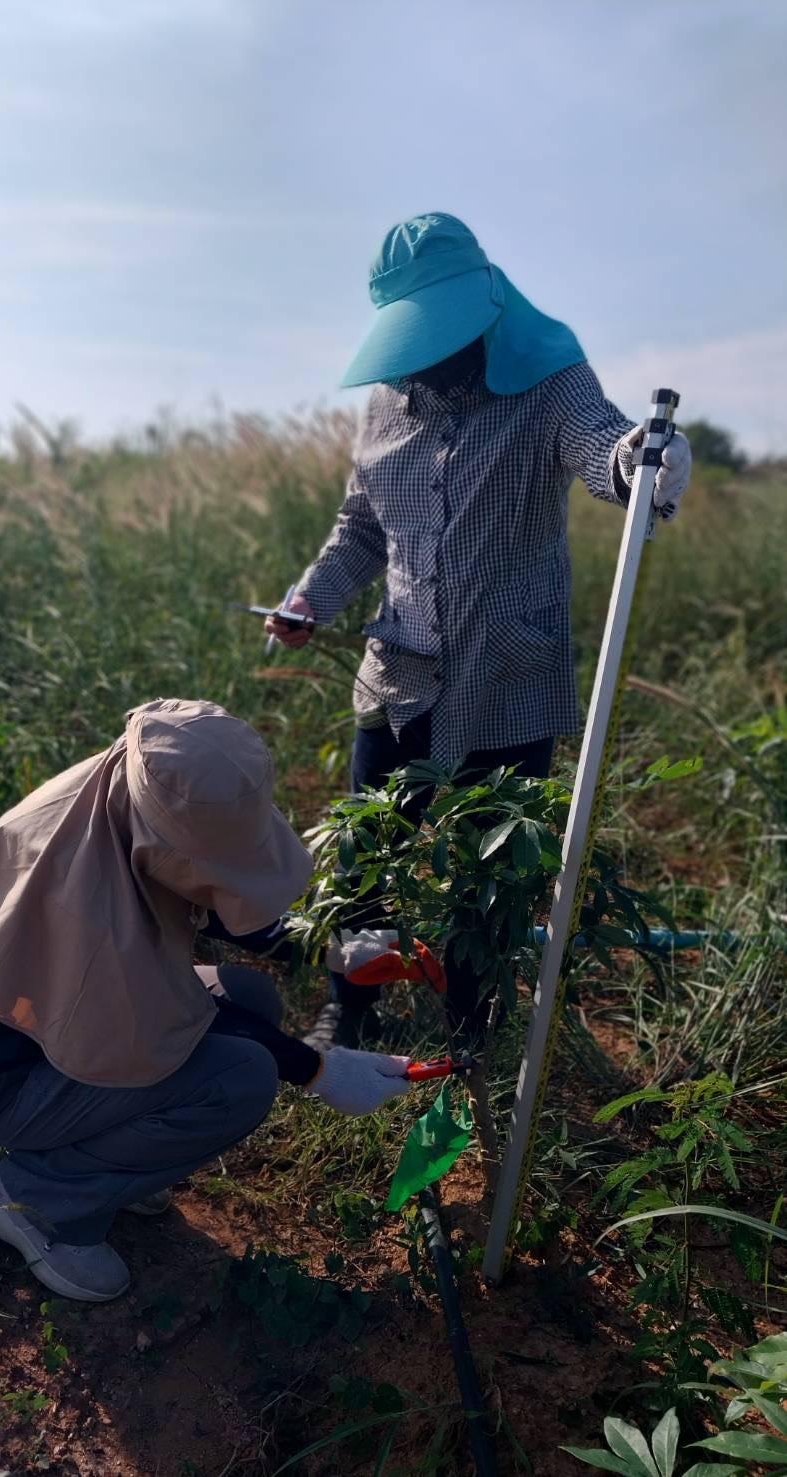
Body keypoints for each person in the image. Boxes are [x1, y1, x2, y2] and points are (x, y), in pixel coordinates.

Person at [266, 212, 692, 1050]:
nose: (426, 355)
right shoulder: (388, 403)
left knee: (487, 872)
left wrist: (643, 458)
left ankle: (472, 1027)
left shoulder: (549, 378)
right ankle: (351, 1008)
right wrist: (309, 599)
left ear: (483, 306)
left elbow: (602, 449)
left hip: (508, 674)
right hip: (397, 673)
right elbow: (361, 527)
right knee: (366, 858)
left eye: (439, 332)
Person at [0, 698, 413, 1303]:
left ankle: (117, 1161)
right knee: (241, 1076)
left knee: (250, 996)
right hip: (12, 1083)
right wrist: (318, 1069)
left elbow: (202, 890)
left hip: (61, 1033)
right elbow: (181, 1019)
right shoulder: (89, 915)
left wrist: (329, 946)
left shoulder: (122, 786)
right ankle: (35, 1200)